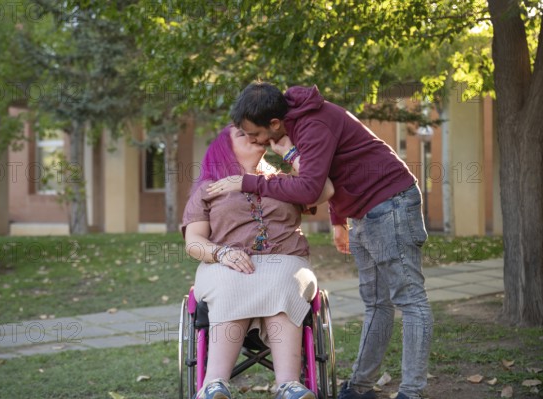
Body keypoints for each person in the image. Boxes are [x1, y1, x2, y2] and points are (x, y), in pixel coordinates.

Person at [208, 82, 434, 399]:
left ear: (274, 123)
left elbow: (310, 188)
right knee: (377, 303)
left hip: (391, 203)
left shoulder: (312, 126)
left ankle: (411, 391)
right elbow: (332, 173)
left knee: (409, 300)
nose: (254, 140)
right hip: (364, 211)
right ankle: (360, 387)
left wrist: (249, 182)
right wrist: (339, 220)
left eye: (255, 133)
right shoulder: (292, 128)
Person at [183, 124, 334, 399]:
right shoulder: (209, 188)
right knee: (230, 279)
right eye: (243, 134)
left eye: (256, 132)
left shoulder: (283, 181)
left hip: (286, 263)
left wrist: (289, 151)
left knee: (283, 278)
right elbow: (194, 241)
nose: (254, 136)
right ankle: (213, 384)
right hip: (226, 264)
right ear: (225, 149)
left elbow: (324, 190)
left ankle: (288, 384)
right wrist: (222, 253)